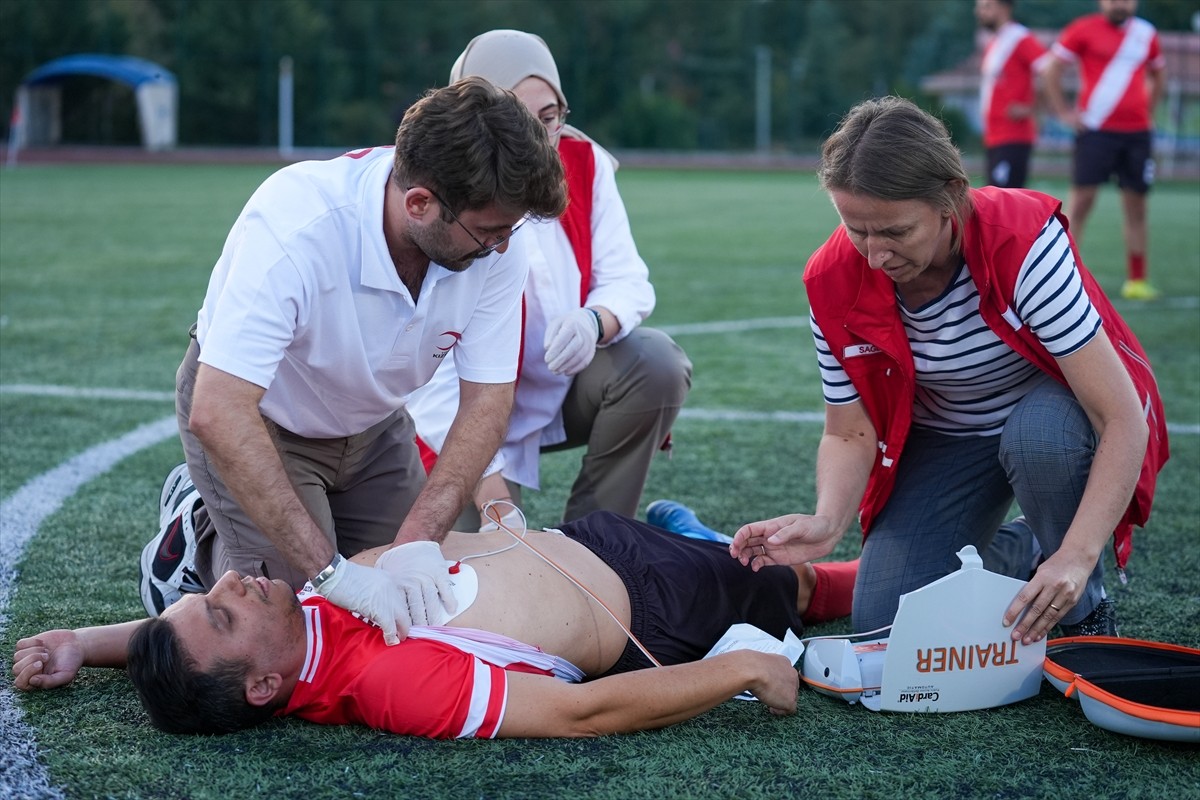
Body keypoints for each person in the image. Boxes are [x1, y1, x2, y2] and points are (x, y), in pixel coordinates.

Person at [729, 97, 1168, 648]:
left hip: (1054, 421)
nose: (874, 255)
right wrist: (826, 520)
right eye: (856, 230)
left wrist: (1076, 558)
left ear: (951, 199)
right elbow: (849, 430)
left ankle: (1083, 611)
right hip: (950, 435)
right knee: (887, 623)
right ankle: (1028, 547)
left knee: (1039, 440)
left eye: (894, 231)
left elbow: (1120, 416)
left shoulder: (1022, 242)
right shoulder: (832, 277)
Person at [143, 77, 568, 646]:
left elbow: (488, 397)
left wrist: (419, 538)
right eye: (489, 233)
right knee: (297, 625)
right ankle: (197, 536)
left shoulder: (490, 236)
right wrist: (332, 574)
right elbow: (219, 410)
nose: (502, 248)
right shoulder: (299, 223)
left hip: (373, 422)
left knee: (427, 610)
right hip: (263, 423)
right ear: (419, 203)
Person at [14, 509, 859, 739]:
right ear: (265, 686)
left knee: (729, 554)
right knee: (809, 588)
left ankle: (687, 527)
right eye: (226, 609)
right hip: (658, 605)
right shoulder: (392, 683)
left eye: (212, 592)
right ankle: (708, 541)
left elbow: (185, 648)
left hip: (587, 538)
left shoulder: (297, 628)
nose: (233, 580)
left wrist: (81, 645)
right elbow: (581, 713)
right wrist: (740, 673)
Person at [405, 30, 692, 530]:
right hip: (461, 409)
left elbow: (627, 278)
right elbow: (423, 381)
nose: (540, 137)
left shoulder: (584, 162)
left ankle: (597, 541)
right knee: (471, 570)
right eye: (517, 117)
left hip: (561, 387)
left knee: (655, 362)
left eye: (550, 117)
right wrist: (493, 496)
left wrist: (593, 321)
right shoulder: (437, 191)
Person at [1043, 0, 1167, 300]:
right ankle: (1063, 276)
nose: (1119, 3)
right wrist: (1063, 112)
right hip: (1095, 131)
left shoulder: (1145, 34)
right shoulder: (1083, 29)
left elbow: (1158, 74)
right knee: (1081, 201)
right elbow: (1051, 69)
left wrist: (1148, 112)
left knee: (1137, 206)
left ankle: (1137, 280)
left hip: (1137, 134)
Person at [974, 0, 1048, 188]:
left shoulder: (1019, 38)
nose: (979, 11)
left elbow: (1049, 70)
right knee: (994, 198)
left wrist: (1033, 107)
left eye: (986, 6)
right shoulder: (994, 41)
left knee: (1004, 200)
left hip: (1013, 134)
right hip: (994, 134)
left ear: (1004, 8)